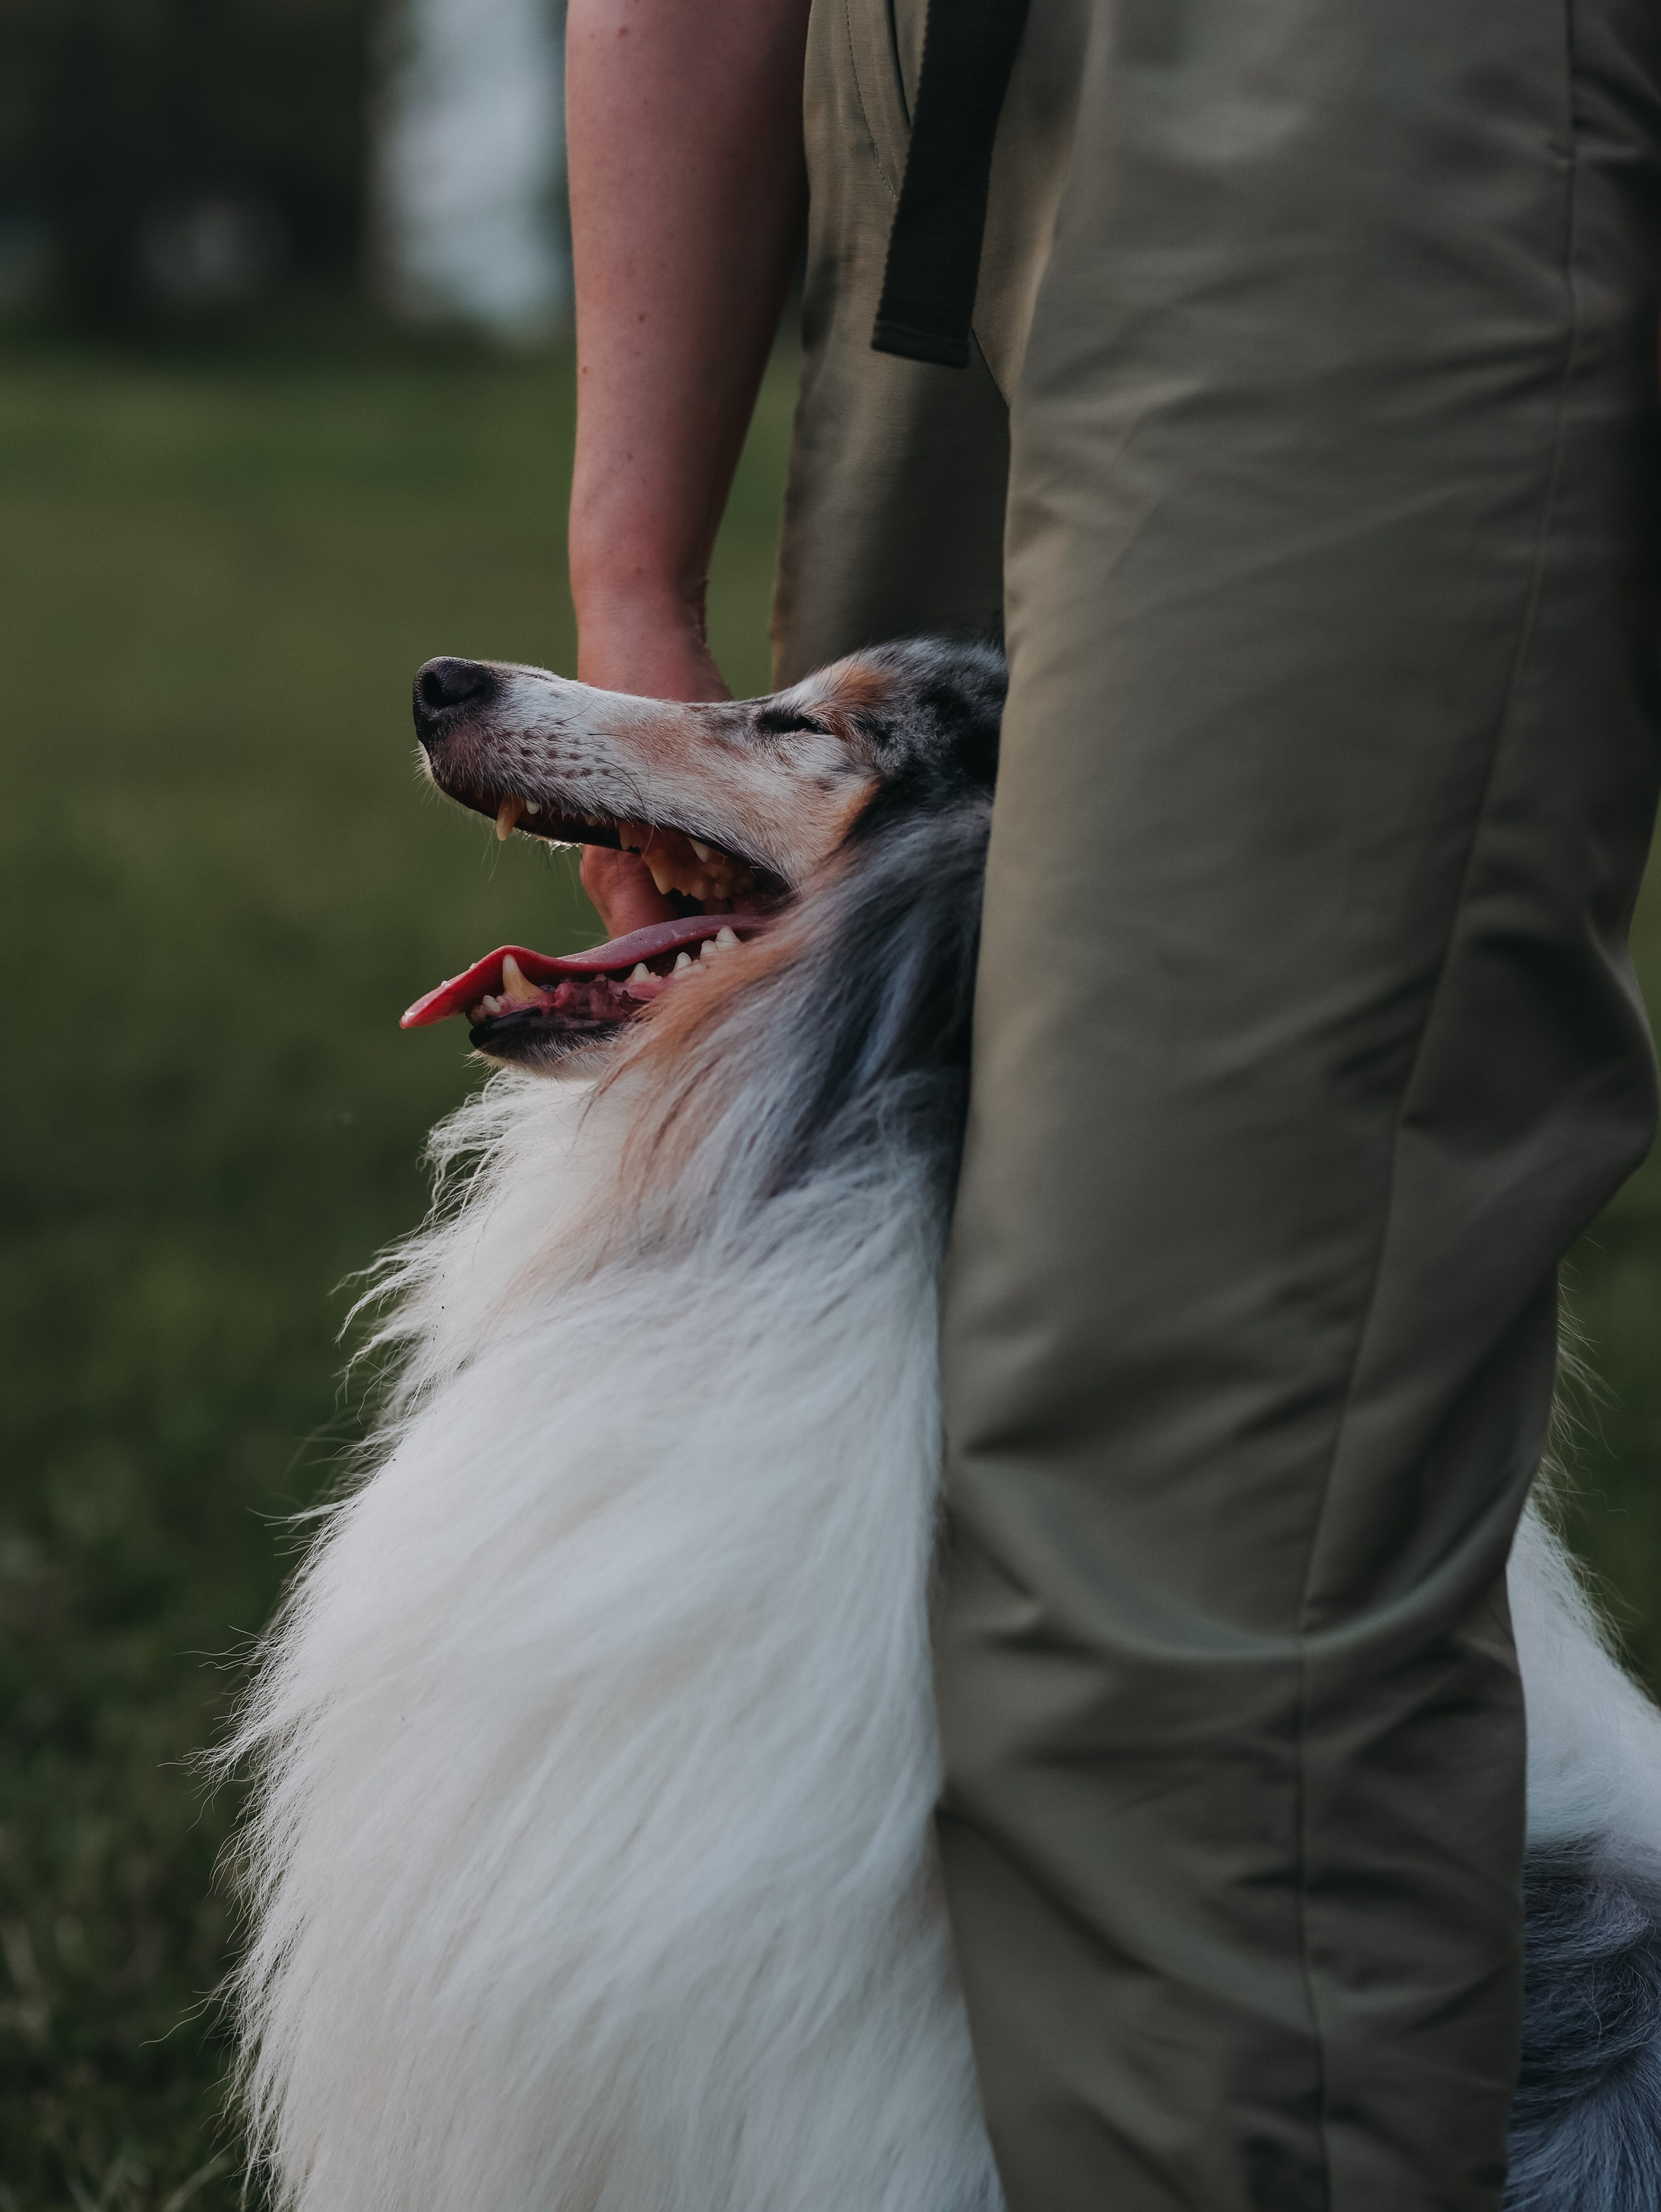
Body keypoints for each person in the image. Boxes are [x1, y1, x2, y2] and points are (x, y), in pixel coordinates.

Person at [563, 0, 1661, 2204]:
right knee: (864, 1453)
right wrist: (634, 558)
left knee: (1192, 1525)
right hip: (911, 99)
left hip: (1343, 90)